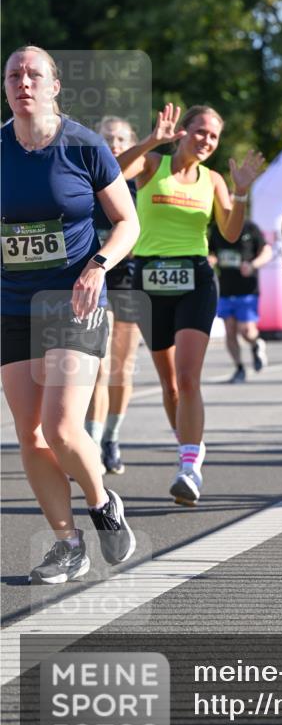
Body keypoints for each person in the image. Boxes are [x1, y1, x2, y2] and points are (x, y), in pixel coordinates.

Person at [1, 45, 138, 583]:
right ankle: (67, 543)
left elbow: (126, 221)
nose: (23, 82)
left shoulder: (84, 146)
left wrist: (98, 265)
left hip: (75, 298)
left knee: (60, 427)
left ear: (55, 86)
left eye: (34, 73)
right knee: (29, 435)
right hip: (12, 304)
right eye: (14, 75)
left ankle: (103, 504)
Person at [117, 103, 263, 506]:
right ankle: (192, 445)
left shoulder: (213, 179)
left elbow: (231, 233)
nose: (207, 141)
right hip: (149, 280)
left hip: (196, 279)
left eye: (214, 136)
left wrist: (240, 192)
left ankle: (188, 467)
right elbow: (109, 173)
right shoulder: (151, 165)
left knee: (188, 376)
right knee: (169, 384)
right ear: (182, 131)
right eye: (200, 132)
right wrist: (150, 140)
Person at [86, 116, 142, 474]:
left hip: (130, 277)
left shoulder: (142, 178)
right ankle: (91, 443)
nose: (115, 144)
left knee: (123, 367)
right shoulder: (84, 177)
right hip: (96, 274)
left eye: (122, 139)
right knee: (99, 366)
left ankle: (112, 438)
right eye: (108, 138)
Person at [210, 218, 272, 382]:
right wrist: (211, 259)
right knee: (230, 331)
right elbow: (211, 252)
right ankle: (239, 368)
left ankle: (256, 343)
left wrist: (253, 265)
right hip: (225, 289)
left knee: (246, 331)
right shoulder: (218, 229)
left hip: (247, 290)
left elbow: (267, 251)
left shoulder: (250, 227)